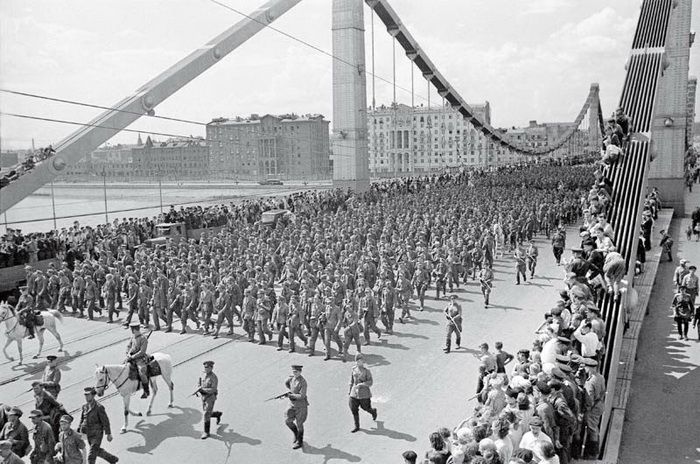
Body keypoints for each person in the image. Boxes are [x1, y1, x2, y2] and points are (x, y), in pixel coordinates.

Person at [77, 387, 118, 464]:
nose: (86, 397)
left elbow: (105, 421)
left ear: (93, 395)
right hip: (88, 434)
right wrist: (79, 429)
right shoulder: (84, 407)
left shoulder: (99, 407)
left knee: (91, 456)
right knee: (97, 451)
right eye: (85, 395)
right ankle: (112, 459)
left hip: (97, 434)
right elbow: (82, 419)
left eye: (88, 395)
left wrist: (108, 434)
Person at [581, 359, 605, 459]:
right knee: (595, 427)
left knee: (592, 429)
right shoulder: (600, 377)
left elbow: (589, 399)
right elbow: (603, 391)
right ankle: (594, 451)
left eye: (586, 367)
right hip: (599, 405)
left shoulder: (590, 382)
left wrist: (585, 410)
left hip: (592, 408)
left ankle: (592, 453)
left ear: (590, 368)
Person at [348, 353, 377, 433]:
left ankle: (373, 411)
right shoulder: (353, 369)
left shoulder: (366, 371)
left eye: (361, 360)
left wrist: (362, 384)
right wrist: (349, 390)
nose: (360, 362)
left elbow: (370, 382)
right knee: (353, 407)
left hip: (364, 394)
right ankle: (357, 426)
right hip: (354, 393)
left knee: (365, 407)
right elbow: (351, 381)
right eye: (358, 360)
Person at [284, 365, 308, 450]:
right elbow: (288, 384)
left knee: (299, 424)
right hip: (292, 404)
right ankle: (295, 433)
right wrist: (290, 392)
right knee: (287, 420)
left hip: (301, 406)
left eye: (296, 372)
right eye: (293, 371)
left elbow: (302, 395)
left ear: (300, 372)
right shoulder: (291, 378)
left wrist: (291, 395)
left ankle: (299, 441)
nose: (294, 373)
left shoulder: (303, 382)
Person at [196, 361, 222, 440]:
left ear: (211, 368)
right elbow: (199, 382)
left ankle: (206, 432)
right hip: (203, 397)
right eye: (205, 367)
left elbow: (213, 389)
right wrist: (198, 389)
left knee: (206, 414)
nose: (205, 369)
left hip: (210, 397)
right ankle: (217, 414)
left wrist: (204, 390)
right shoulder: (203, 374)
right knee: (207, 412)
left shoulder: (214, 377)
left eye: (207, 367)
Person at [125, 323, 149, 399]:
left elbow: (142, 351)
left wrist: (133, 357)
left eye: (131, 329)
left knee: (141, 372)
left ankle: (146, 391)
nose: (131, 331)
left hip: (140, 359)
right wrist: (128, 354)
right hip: (131, 357)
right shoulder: (133, 337)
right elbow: (128, 346)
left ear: (134, 329)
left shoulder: (143, 338)